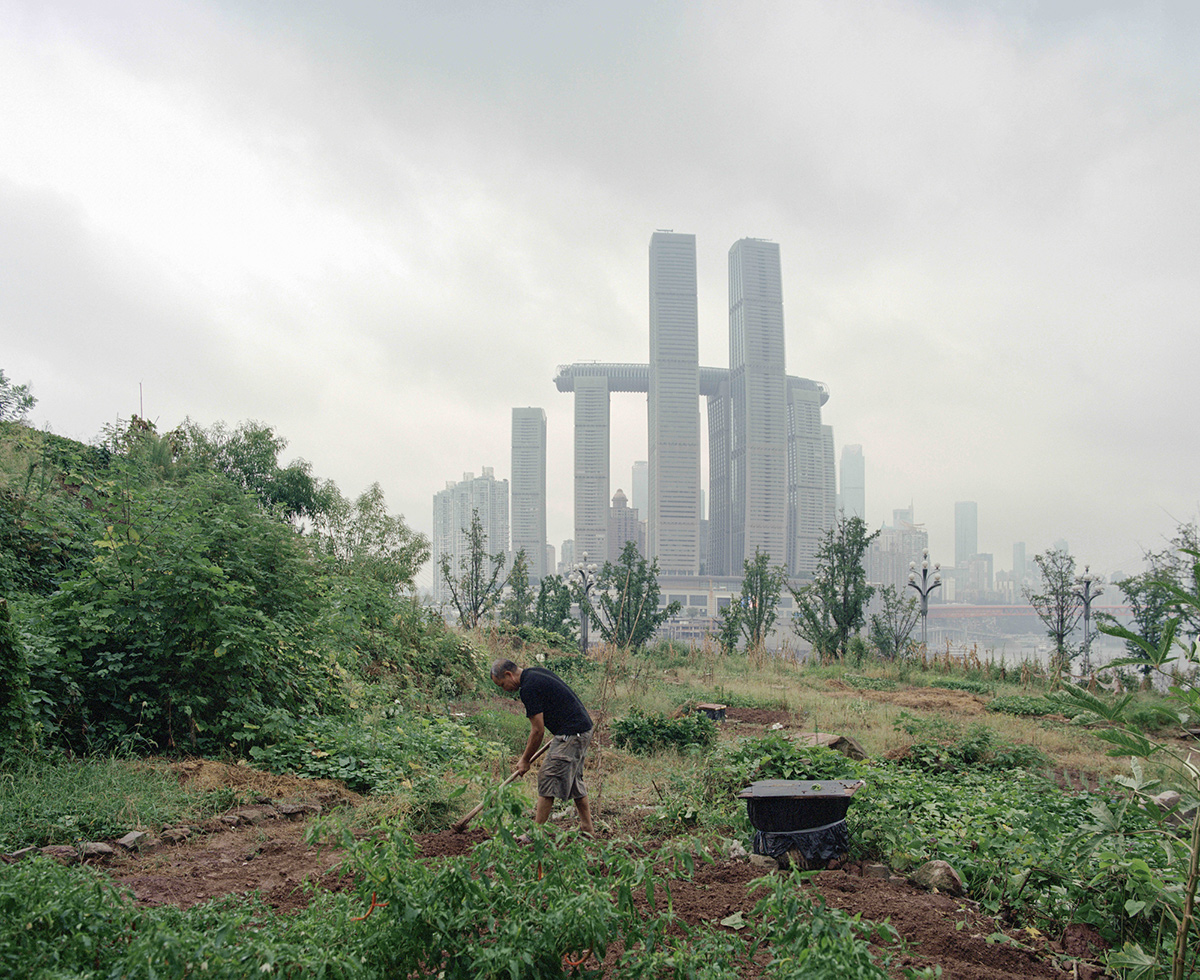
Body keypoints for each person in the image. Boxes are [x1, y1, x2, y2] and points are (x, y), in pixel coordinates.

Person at [490, 658, 594, 835]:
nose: (504, 689)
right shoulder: (534, 673)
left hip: (571, 733)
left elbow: (537, 731)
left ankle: (534, 834)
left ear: (508, 674)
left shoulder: (528, 688)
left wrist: (524, 760)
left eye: (502, 684)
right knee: (575, 781)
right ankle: (587, 828)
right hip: (581, 729)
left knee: (547, 776)